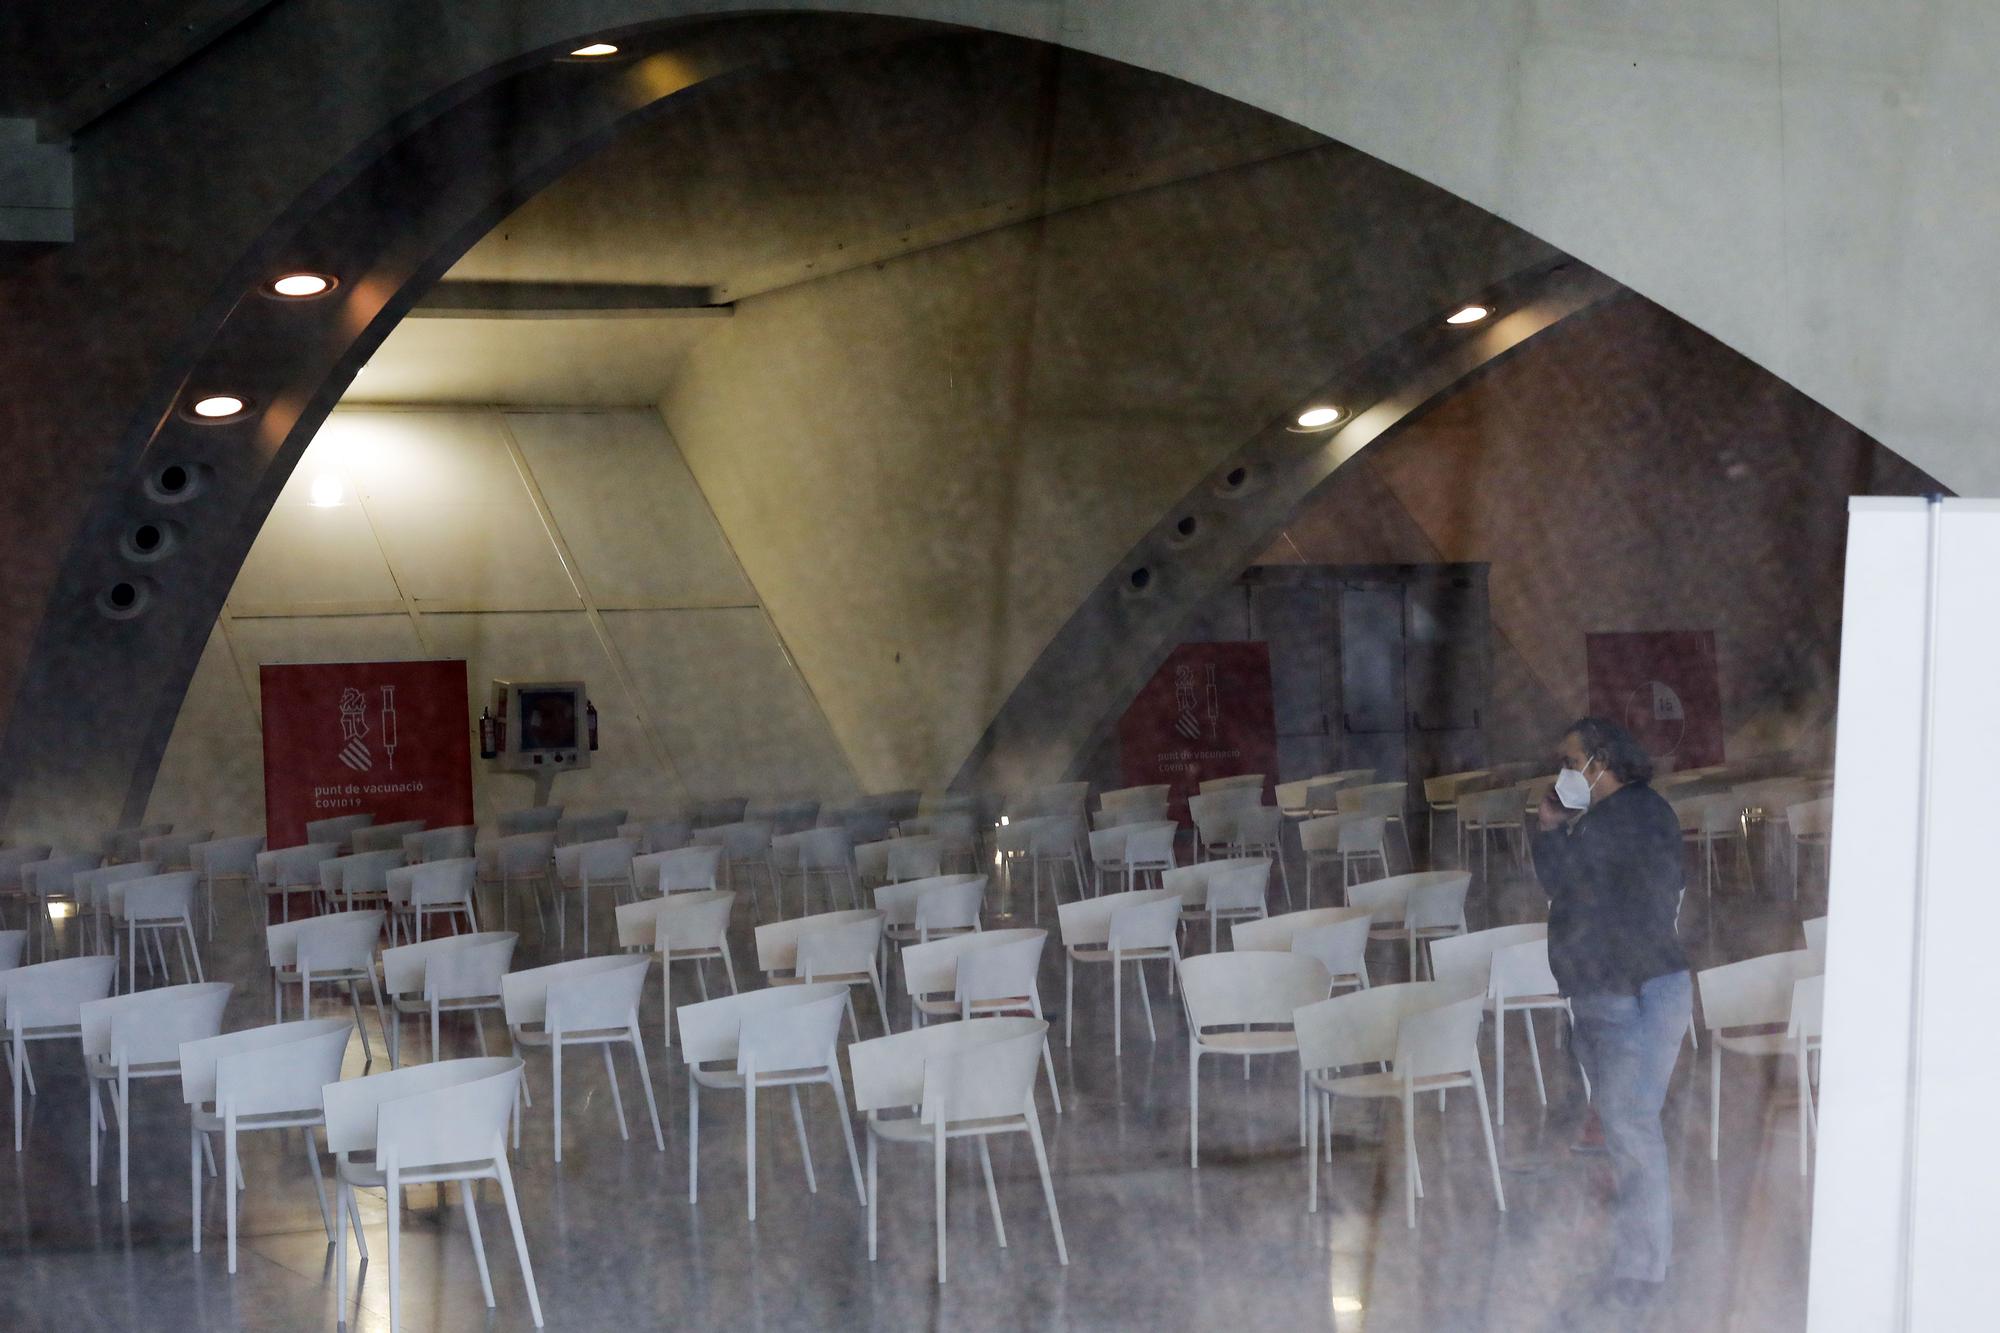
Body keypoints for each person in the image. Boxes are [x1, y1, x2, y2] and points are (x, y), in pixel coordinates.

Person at [1532, 716, 1691, 1305]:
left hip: (1614, 991)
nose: (1565, 773)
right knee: (1637, 1127)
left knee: (1630, 1130)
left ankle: (1639, 1271)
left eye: (1571, 762)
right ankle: (1645, 1260)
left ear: (1601, 761)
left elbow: (1566, 889)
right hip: (1665, 982)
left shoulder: (1602, 825)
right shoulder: (1658, 811)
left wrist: (1550, 831)